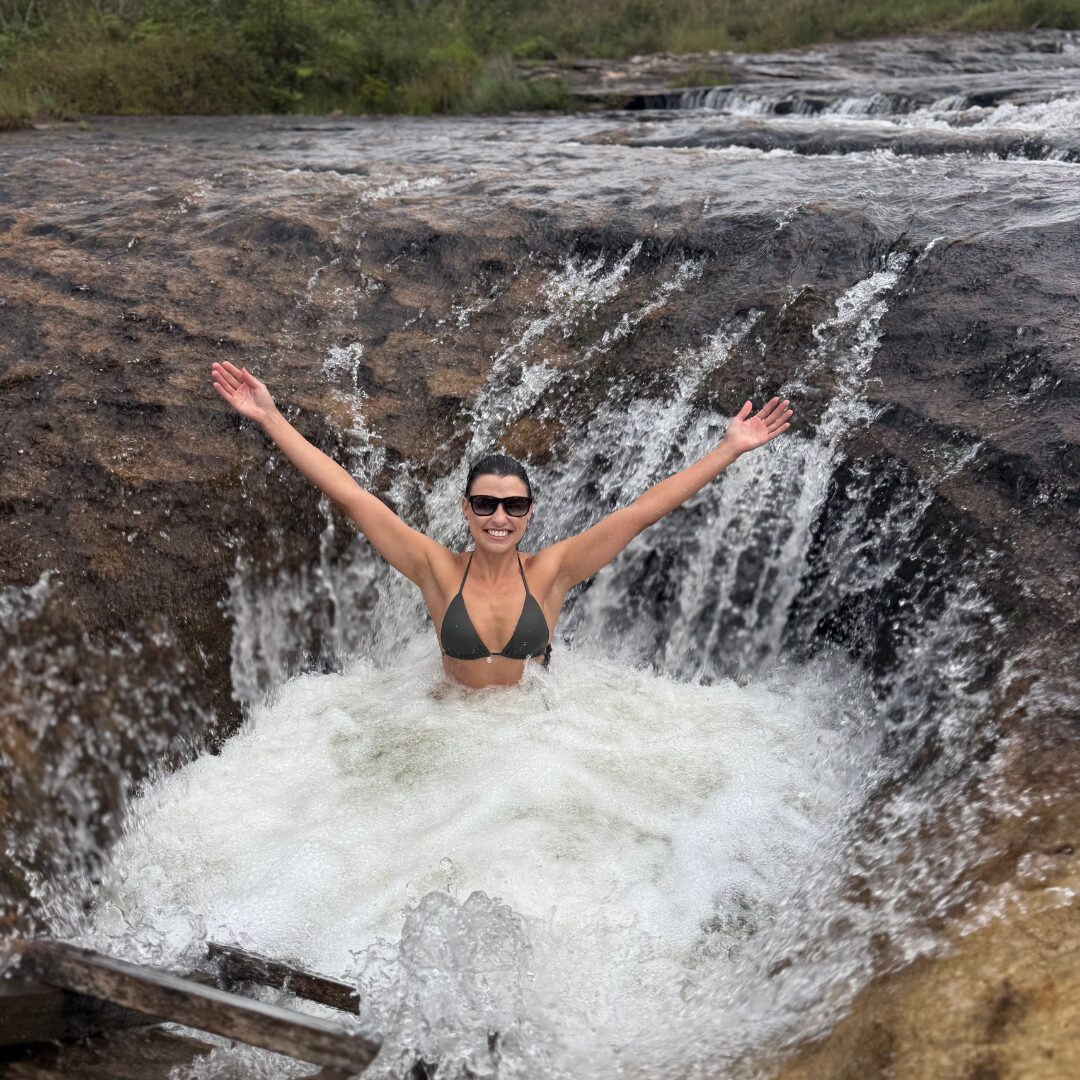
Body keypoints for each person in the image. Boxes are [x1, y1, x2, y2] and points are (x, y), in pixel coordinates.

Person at [211, 360, 793, 689]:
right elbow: (351, 495)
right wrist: (269, 416)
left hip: (531, 742)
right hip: (452, 734)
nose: (499, 517)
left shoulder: (554, 571)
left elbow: (643, 511)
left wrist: (729, 449)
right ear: (465, 509)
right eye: (485, 504)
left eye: (513, 507)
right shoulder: (434, 569)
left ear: (529, 513)